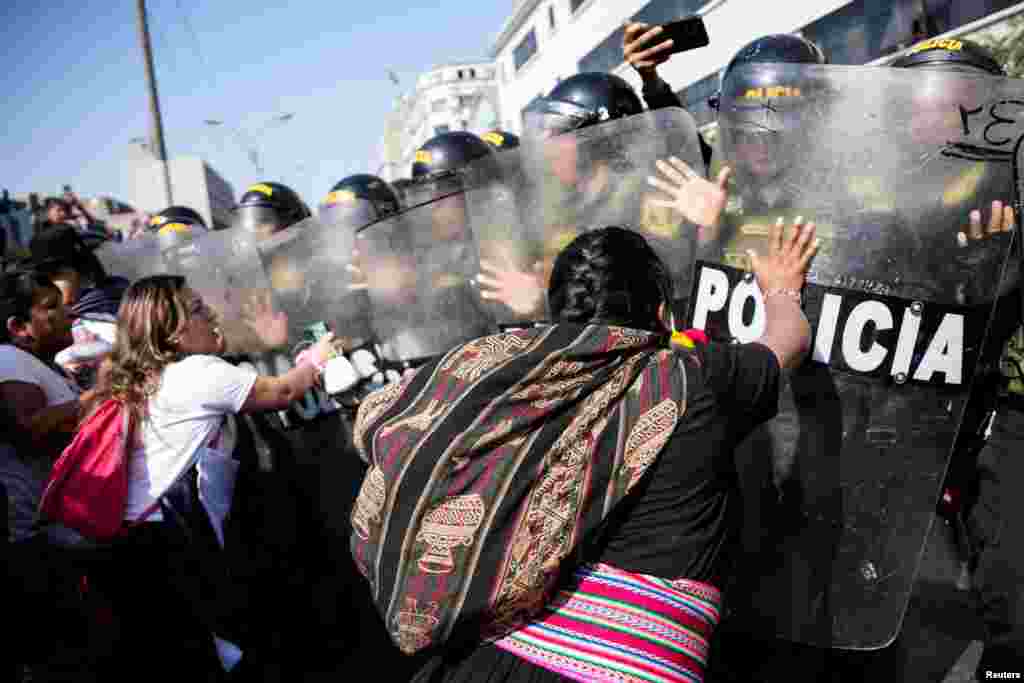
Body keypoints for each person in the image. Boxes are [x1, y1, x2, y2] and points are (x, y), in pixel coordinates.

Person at [352, 220, 818, 683]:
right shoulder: (693, 377)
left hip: (486, 663)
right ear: (661, 313)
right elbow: (787, 341)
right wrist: (780, 291)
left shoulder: (534, 386)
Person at [90, 273, 336, 678]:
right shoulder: (196, 373)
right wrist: (316, 359)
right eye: (199, 310)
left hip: (136, 542)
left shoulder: (148, 379)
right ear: (173, 332)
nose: (211, 315)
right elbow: (283, 393)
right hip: (171, 542)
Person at [890, 38, 1023, 676]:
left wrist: (997, 275)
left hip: (1004, 407)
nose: (938, 117)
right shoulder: (888, 191)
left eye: (957, 102)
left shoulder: (1013, 181)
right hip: (910, 406)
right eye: (923, 103)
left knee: (1008, 587)